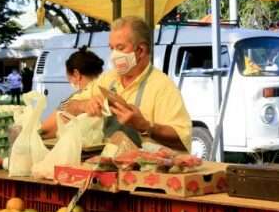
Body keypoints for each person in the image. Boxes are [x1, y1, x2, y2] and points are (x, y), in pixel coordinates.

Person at [66, 16, 191, 151]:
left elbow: (183, 139)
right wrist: (84, 105)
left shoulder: (162, 87)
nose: (114, 54)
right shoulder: (107, 79)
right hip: (106, 163)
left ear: (141, 50)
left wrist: (145, 126)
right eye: (112, 48)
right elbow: (68, 107)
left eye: (120, 47)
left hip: (142, 168)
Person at [39, 47, 104, 140]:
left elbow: (45, 130)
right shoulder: (106, 89)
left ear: (76, 74)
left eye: (69, 79)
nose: (70, 83)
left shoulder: (77, 97)